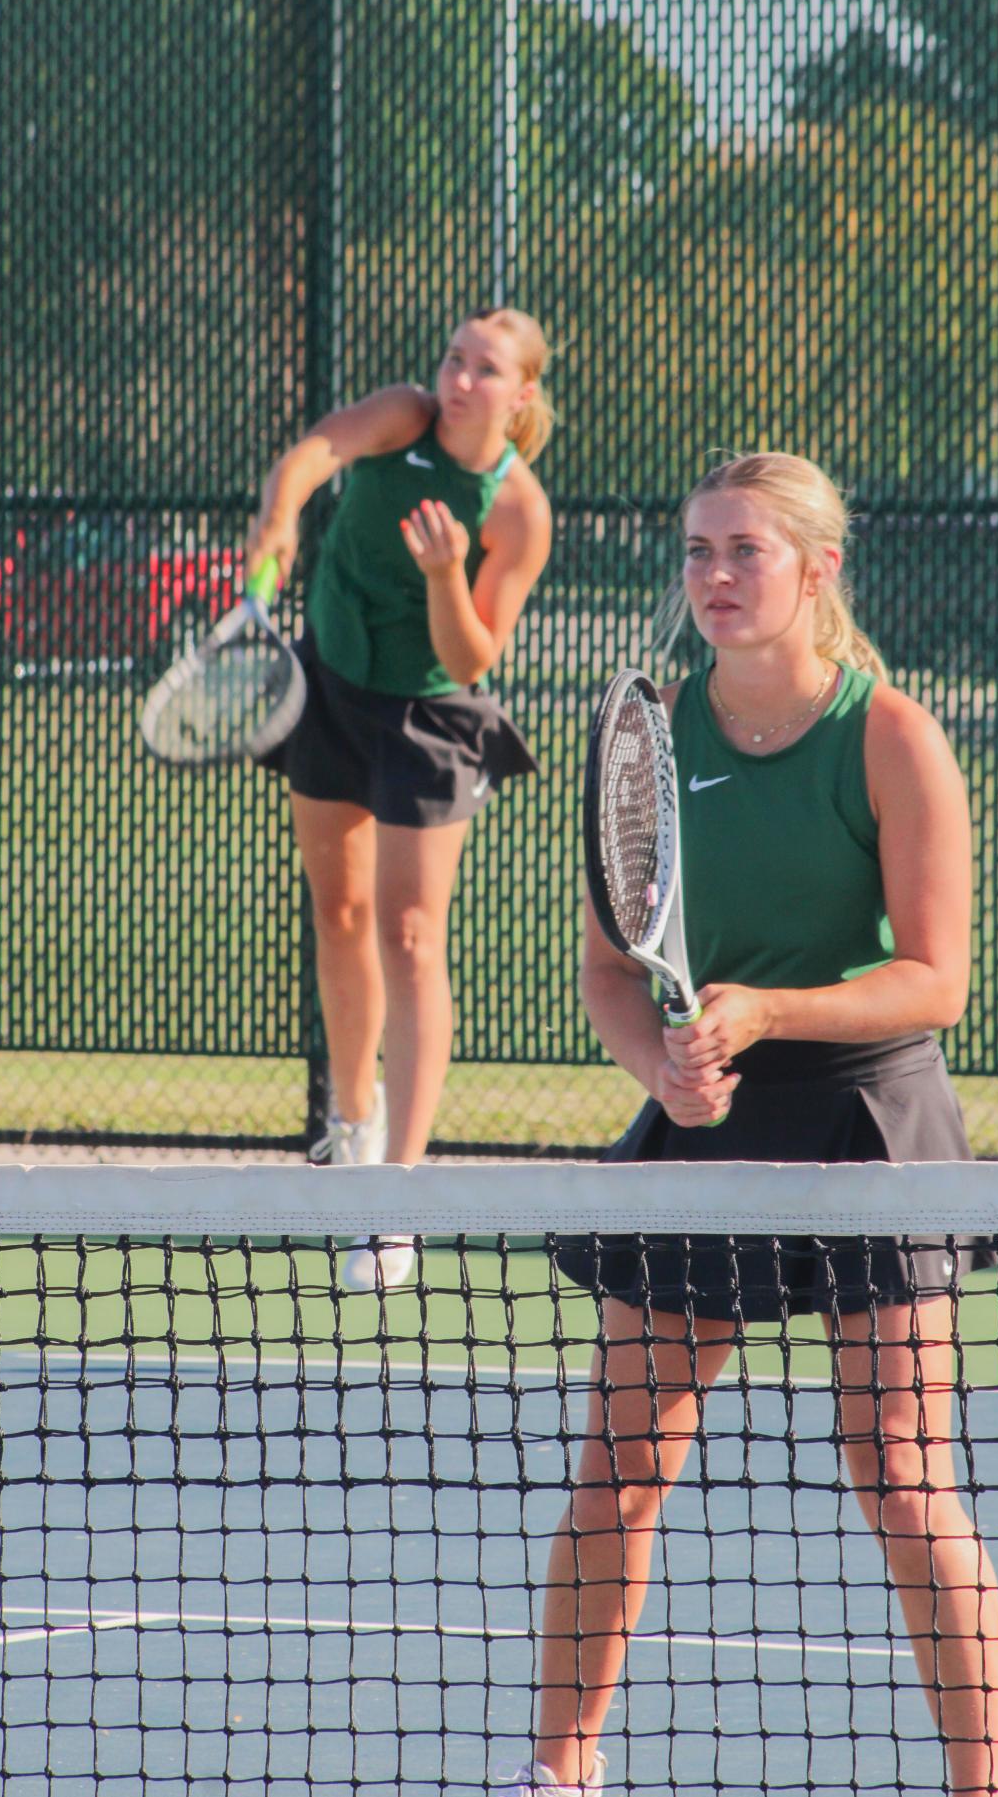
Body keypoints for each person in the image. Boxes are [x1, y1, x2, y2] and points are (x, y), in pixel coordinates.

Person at [506, 452, 998, 1797]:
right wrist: (663, 1068)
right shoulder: (649, 741)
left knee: (900, 1480)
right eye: (695, 550)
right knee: (615, 1477)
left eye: (744, 550)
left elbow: (935, 977)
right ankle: (559, 1771)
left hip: (872, 1119)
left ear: (815, 568)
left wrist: (764, 1013)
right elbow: (613, 976)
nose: (714, 576)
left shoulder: (891, 734)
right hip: (704, 1126)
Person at [246, 308, 553, 1290]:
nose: (458, 380)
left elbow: (472, 655)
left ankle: (399, 1198)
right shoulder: (400, 415)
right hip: (331, 682)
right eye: (453, 360)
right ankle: (352, 1122)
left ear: (520, 397)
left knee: (410, 934)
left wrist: (440, 573)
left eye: (483, 370)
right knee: (337, 915)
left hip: (429, 715)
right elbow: (313, 452)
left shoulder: (516, 512)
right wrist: (280, 515)